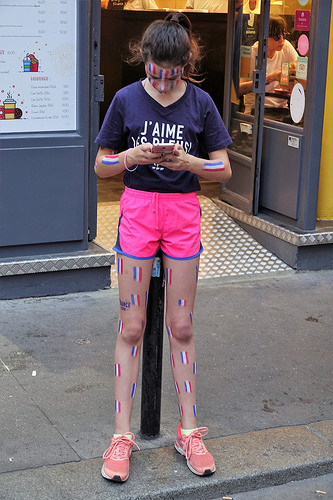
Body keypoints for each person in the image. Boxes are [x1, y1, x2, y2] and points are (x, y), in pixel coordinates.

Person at [94, 12, 232, 483]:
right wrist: (128, 156)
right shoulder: (126, 99)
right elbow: (101, 166)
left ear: (186, 63)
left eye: (173, 73)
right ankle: (120, 436)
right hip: (137, 211)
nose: (164, 81)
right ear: (144, 59)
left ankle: (189, 430)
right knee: (132, 326)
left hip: (181, 213)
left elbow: (224, 170)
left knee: (181, 325)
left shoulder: (201, 103)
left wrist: (190, 161)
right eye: (156, 71)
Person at [239, 15, 298, 116]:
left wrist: (293, 72)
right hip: (256, 110)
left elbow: (299, 69)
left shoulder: (286, 47)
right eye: (277, 36)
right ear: (264, 36)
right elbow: (239, 89)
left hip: (281, 110)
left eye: (284, 34)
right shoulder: (250, 54)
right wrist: (270, 78)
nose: (281, 40)